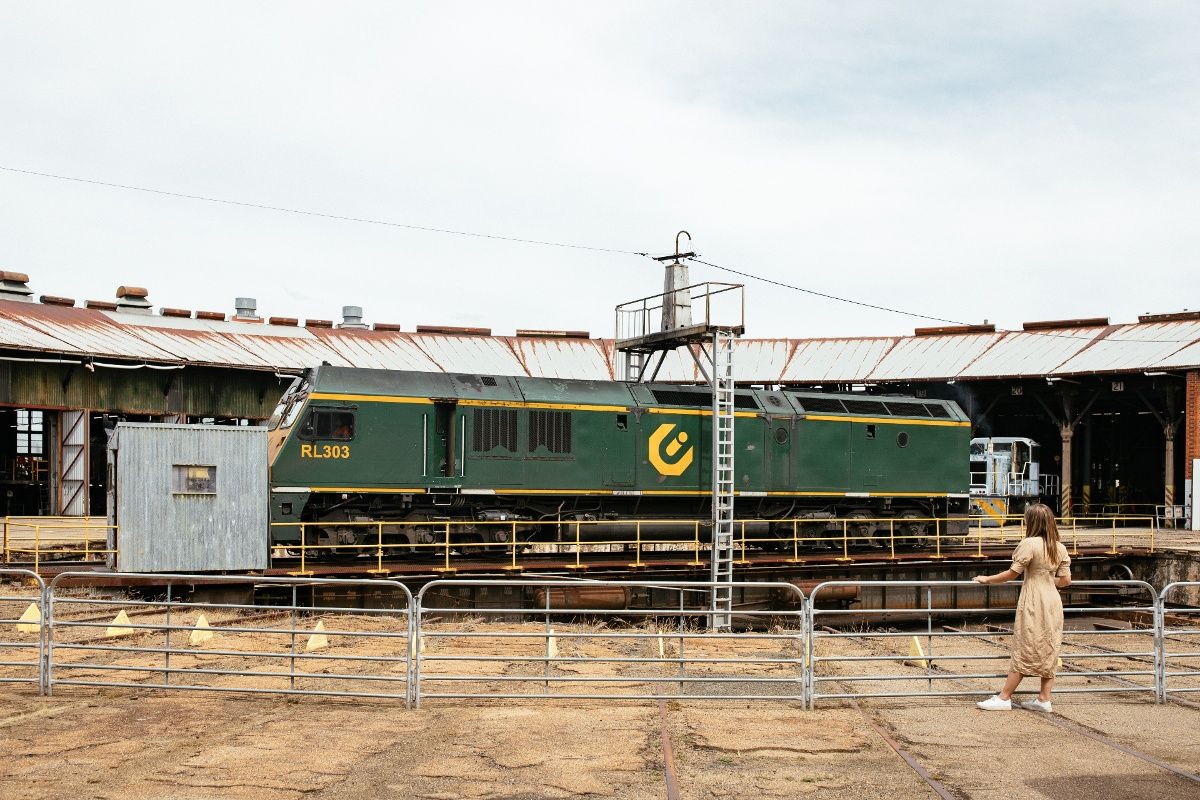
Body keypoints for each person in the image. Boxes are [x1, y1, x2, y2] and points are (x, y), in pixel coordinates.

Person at [971, 503, 1072, 712]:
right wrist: (1047, 582)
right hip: (1053, 602)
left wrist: (987, 579)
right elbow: (1065, 581)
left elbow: (1012, 573)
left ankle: (1004, 697)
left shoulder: (1029, 544)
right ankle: (1044, 699)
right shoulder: (1059, 547)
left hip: (1033, 601)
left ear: (1032, 522)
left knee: (1025, 645)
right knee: (1049, 647)